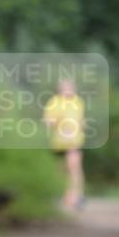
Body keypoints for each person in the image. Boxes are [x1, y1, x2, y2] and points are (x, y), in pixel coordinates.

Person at [43, 78, 86, 210]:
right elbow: (48, 121)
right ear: (60, 89)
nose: (68, 90)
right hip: (58, 142)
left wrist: (80, 126)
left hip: (74, 141)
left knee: (74, 167)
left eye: (70, 87)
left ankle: (75, 197)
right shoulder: (54, 102)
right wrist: (59, 124)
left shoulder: (78, 102)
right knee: (61, 170)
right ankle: (63, 196)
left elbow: (81, 120)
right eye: (65, 88)